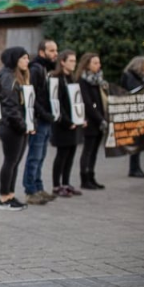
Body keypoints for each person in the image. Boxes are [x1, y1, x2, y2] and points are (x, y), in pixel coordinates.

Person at [0, 47, 34, 211]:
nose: (27, 61)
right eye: (24, 58)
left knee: (15, 162)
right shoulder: (8, 77)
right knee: (10, 161)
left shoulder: (19, 77)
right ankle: (4, 197)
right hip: (11, 127)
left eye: (27, 58)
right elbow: (10, 106)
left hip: (20, 127)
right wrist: (22, 126)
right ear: (14, 59)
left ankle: (10, 195)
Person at [23, 40, 59, 205]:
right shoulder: (36, 69)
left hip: (45, 119)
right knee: (35, 156)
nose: (55, 54)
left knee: (42, 155)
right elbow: (33, 97)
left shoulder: (46, 69)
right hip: (38, 120)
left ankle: (38, 187)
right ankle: (30, 190)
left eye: (56, 50)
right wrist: (44, 114)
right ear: (41, 52)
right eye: (51, 51)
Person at [50, 50, 84, 196]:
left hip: (74, 122)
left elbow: (76, 101)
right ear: (62, 62)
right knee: (62, 155)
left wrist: (81, 118)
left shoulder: (72, 78)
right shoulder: (56, 78)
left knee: (71, 154)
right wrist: (67, 121)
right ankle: (57, 186)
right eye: (71, 61)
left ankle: (66, 182)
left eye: (75, 61)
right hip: (62, 124)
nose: (74, 64)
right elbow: (57, 102)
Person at [76, 53, 108, 190]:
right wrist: (99, 118)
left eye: (99, 62)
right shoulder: (83, 81)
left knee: (95, 151)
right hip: (91, 120)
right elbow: (87, 103)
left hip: (100, 120)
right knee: (88, 150)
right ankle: (84, 179)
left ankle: (92, 176)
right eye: (95, 63)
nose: (98, 65)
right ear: (87, 64)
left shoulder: (98, 81)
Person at [120, 56, 144, 178]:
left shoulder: (140, 77)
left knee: (138, 141)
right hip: (132, 113)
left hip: (139, 112)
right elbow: (135, 91)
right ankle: (134, 168)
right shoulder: (129, 76)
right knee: (135, 141)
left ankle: (136, 167)